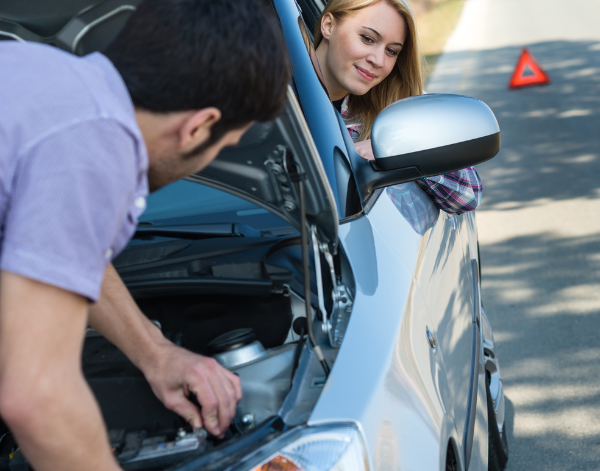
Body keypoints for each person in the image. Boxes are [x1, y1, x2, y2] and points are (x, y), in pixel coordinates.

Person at [0, 0, 290, 470]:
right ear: (199, 128)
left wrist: (156, 354)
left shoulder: (45, 77)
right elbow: (37, 395)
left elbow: (64, 251)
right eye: (222, 147)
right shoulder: (96, 146)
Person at [313, 0, 482, 214]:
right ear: (328, 25)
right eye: (367, 39)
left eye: (391, 51)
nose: (379, 61)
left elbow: (468, 193)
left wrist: (398, 149)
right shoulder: (272, 97)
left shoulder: (392, 107)